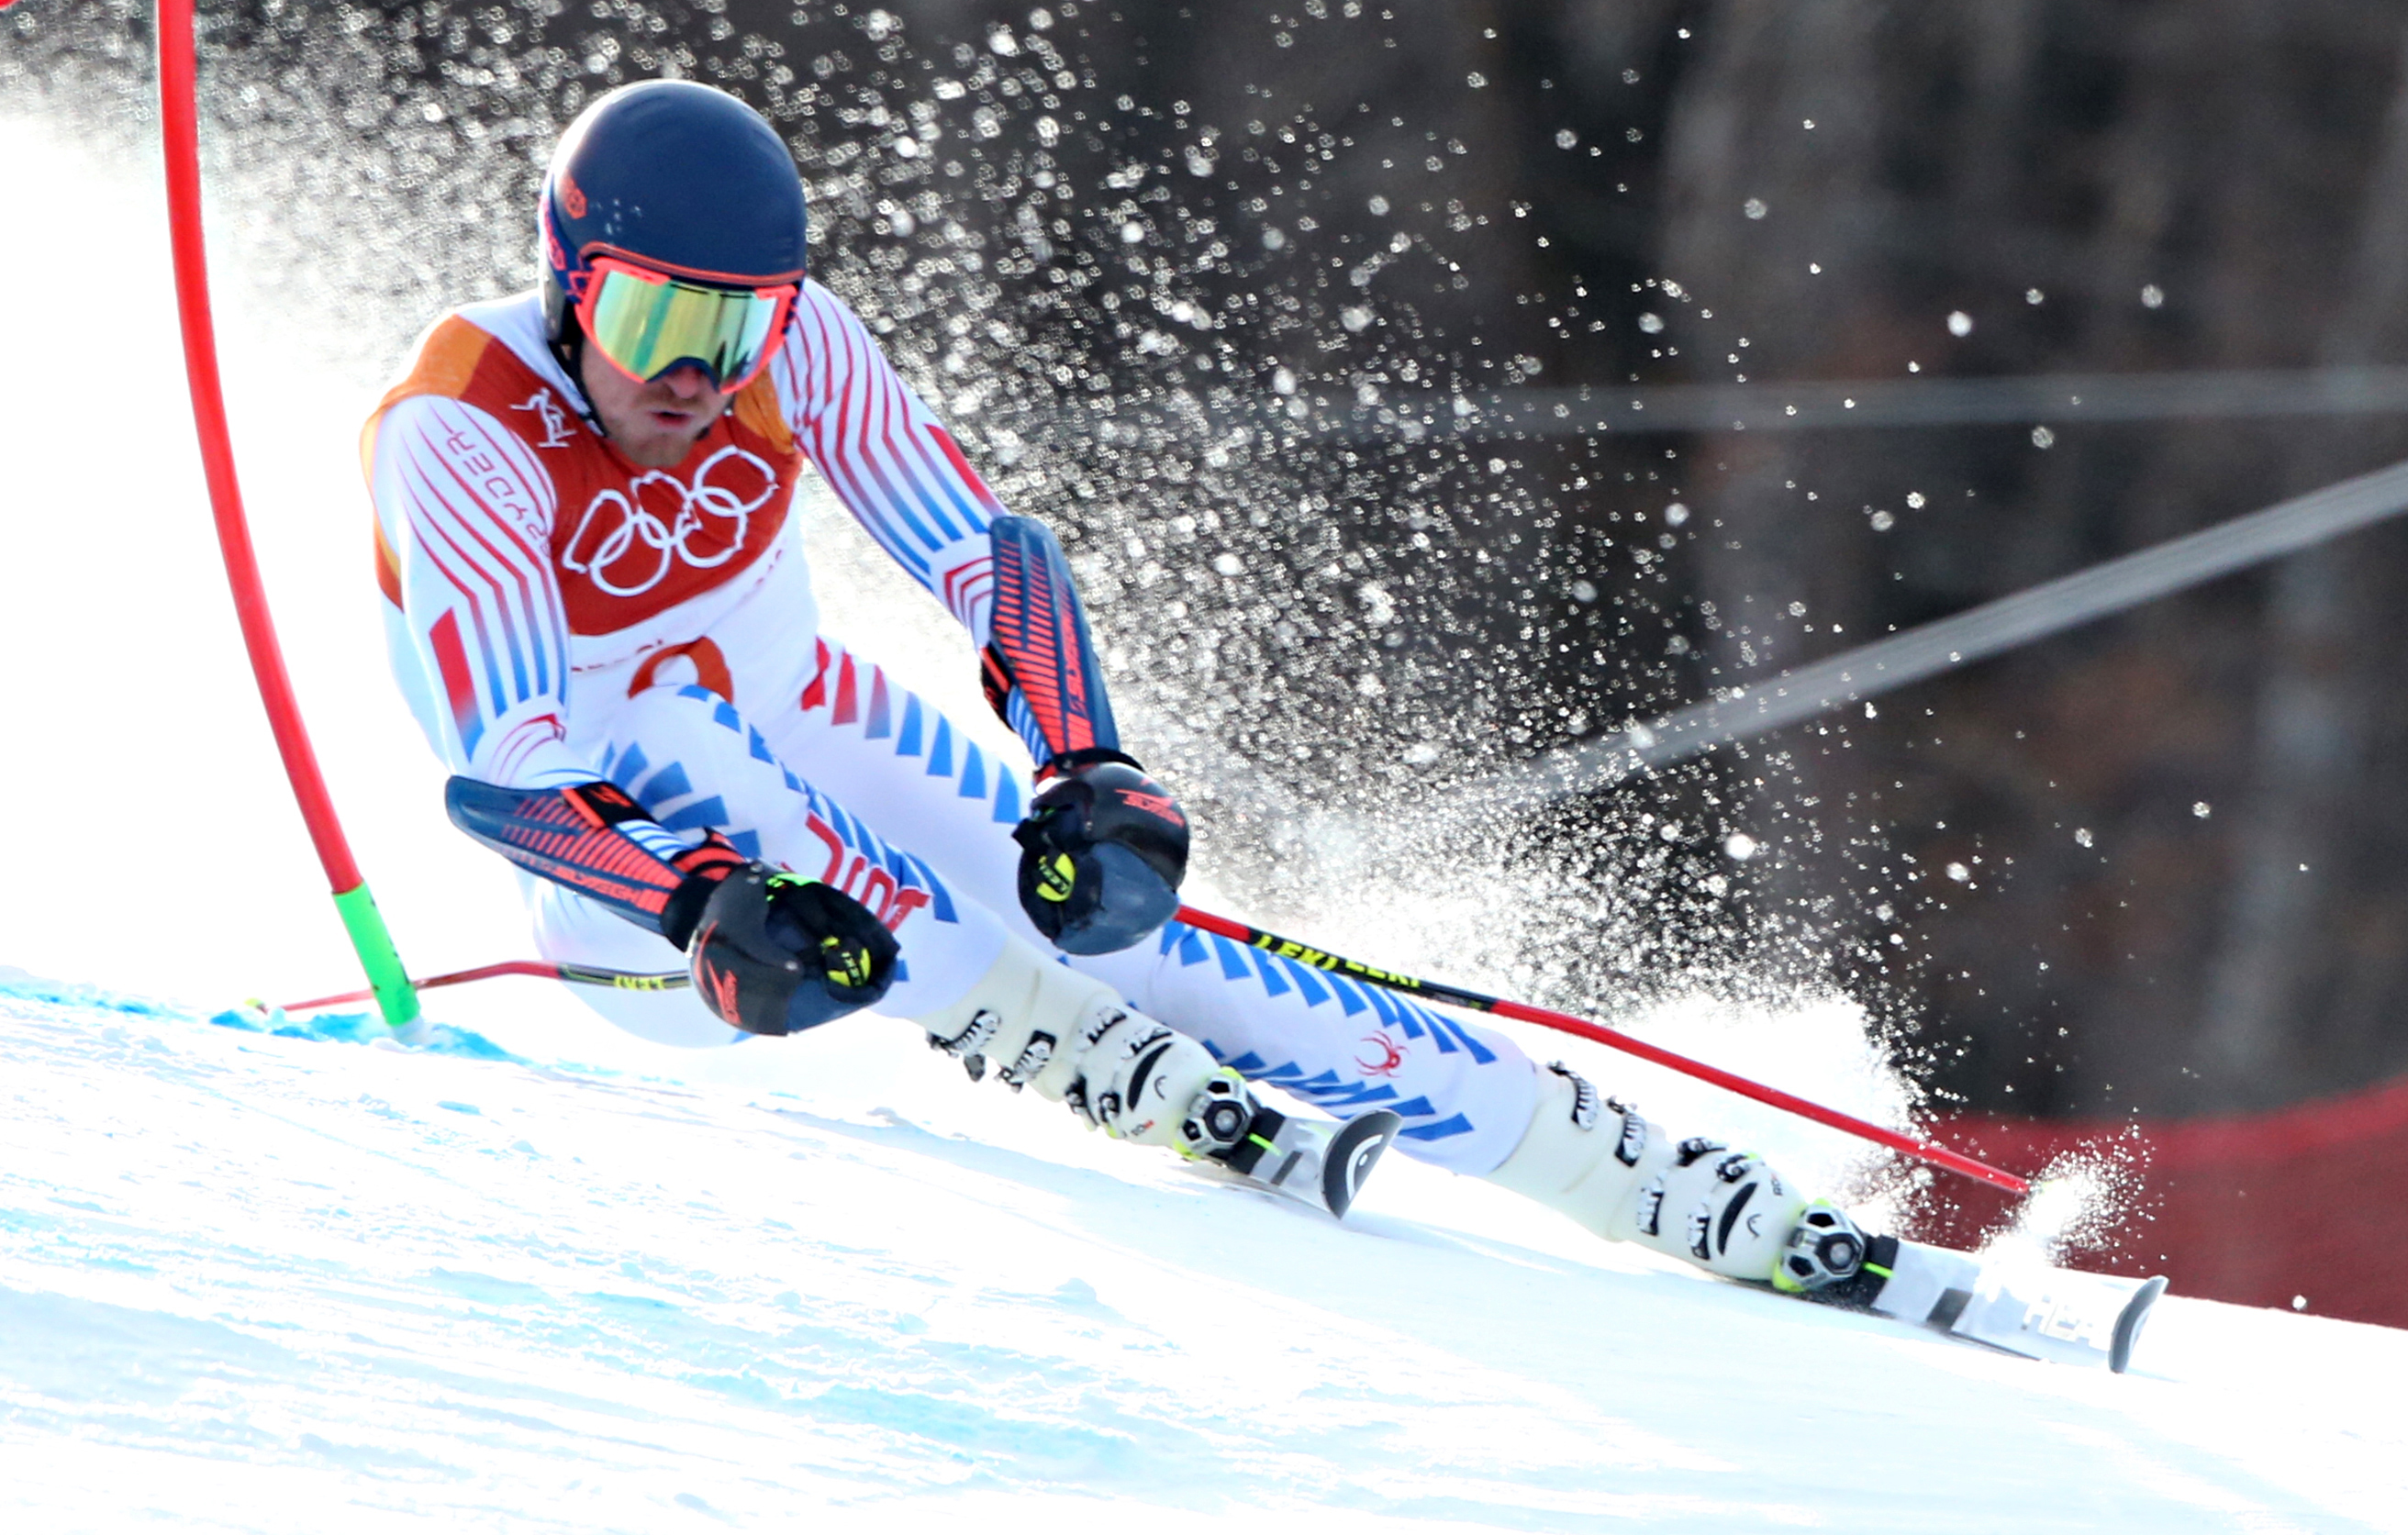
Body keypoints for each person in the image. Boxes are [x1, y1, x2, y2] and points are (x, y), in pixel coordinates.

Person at [361, 78, 1873, 1290]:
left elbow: (984, 550)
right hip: (639, 918)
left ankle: (1605, 1159)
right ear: (569, 286)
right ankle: (1059, 1038)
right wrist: (702, 899)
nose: (693, 377)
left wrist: (1087, 769)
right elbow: (516, 771)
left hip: (798, 719)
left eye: (733, 328)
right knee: (692, 737)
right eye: (652, 323)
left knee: (1142, 940)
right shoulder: (464, 427)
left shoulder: (799, 349)